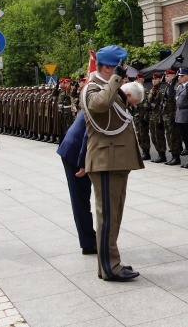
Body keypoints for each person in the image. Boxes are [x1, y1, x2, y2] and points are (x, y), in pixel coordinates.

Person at [81, 45, 143, 282]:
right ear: (107, 67)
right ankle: (109, 268)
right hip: (105, 161)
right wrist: (116, 78)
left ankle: (111, 262)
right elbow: (98, 105)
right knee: (107, 217)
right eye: (119, 67)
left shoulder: (109, 87)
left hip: (116, 161)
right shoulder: (93, 88)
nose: (124, 73)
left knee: (114, 216)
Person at [57, 108, 97, 254]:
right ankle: (88, 243)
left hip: (74, 146)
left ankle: (89, 239)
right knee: (80, 198)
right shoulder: (105, 100)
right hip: (76, 152)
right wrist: (82, 163)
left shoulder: (100, 97)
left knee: (81, 198)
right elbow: (88, 134)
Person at [174, 68, 188, 169]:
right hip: (180, 115)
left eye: (182, 76)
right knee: (185, 139)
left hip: (187, 115)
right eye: (179, 76)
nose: (179, 77)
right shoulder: (179, 87)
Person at [147, 73, 167, 163]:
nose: (154, 80)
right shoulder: (152, 90)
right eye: (153, 79)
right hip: (152, 116)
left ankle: (162, 154)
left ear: (159, 79)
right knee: (153, 136)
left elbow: (162, 104)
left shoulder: (161, 90)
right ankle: (159, 153)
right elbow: (148, 101)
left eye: (156, 79)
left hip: (158, 116)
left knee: (159, 136)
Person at [132, 73, 151, 160]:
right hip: (136, 115)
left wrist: (146, 116)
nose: (139, 80)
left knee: (144, 134)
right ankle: (143, 150)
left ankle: (146, 152)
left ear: (143, 80)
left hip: (143, 115)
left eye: (140, 79)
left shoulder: (145, 90)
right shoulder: (135, 91)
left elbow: (148, 104)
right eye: (137, 79)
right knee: (139, 134)